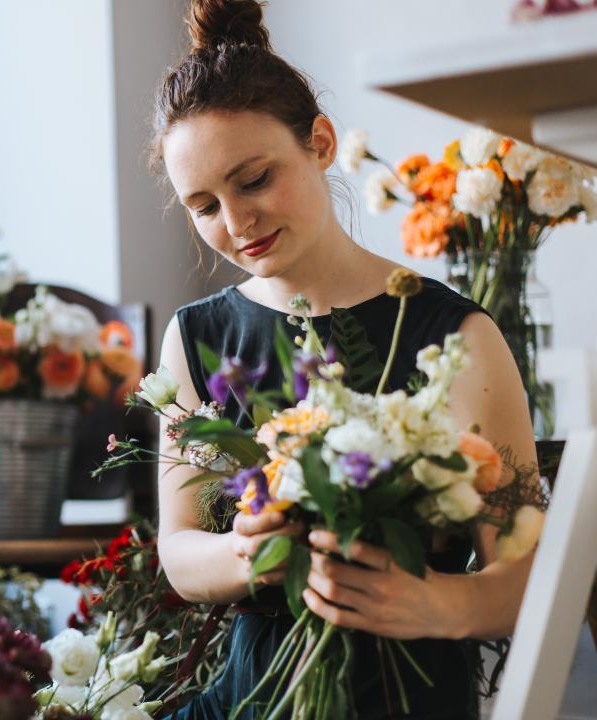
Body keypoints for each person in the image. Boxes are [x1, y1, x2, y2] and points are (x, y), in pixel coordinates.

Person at [151, 1, 540, 717]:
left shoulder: (457, 335)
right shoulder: (196, 337)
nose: (237, 225)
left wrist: (439, 604)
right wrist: (244, 550)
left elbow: (532, 574)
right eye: (204, 205)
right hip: (250, 699)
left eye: (254, 179)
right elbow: (177, 553)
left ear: (321, 143)